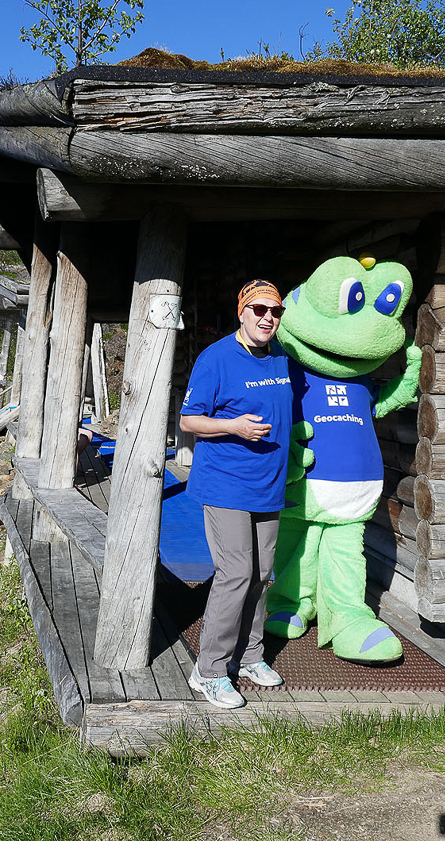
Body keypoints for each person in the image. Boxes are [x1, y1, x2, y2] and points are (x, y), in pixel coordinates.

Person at [178, 279, 293, 709]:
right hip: (226, 483)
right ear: (242, 312)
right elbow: (190, 420)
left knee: (263, 573)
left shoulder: (281, 357)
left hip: (270, 485)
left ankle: (248, 657)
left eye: (275, 311)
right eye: (259, 309)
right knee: (237, 573)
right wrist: (234, 426)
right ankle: (208, 670)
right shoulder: (217, 358)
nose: (268, 318)